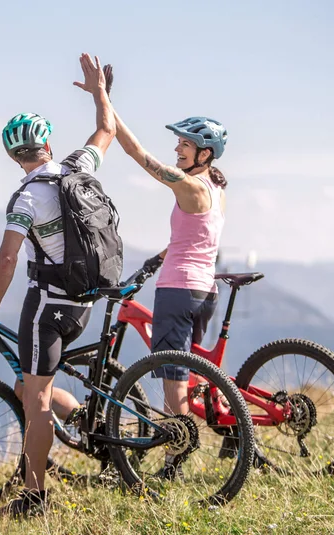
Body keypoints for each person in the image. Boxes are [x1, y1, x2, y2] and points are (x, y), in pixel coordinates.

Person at [0, 53, 116, 517]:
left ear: (14, 155)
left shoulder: (26, 196)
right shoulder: (79, 170)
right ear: (47, 144)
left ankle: (34, 497)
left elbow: (7, 257)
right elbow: (106, 132)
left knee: (36, 400)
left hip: (47, 306)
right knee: (27, 384)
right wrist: (100, 94)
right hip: (83, 302)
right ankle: (97, 436)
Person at [111, 100, 229, 480]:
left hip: (177, 290)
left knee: (173, 375)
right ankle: (223, 426)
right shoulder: (215, 188)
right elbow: (195, 237)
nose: (177, 149)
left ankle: (175, 458)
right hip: (204, 291)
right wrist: (156, 259)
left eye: (184, 144)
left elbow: (135, 152)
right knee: (189, 369)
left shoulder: (190, 185)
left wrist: (105, 103)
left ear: (204, 153)